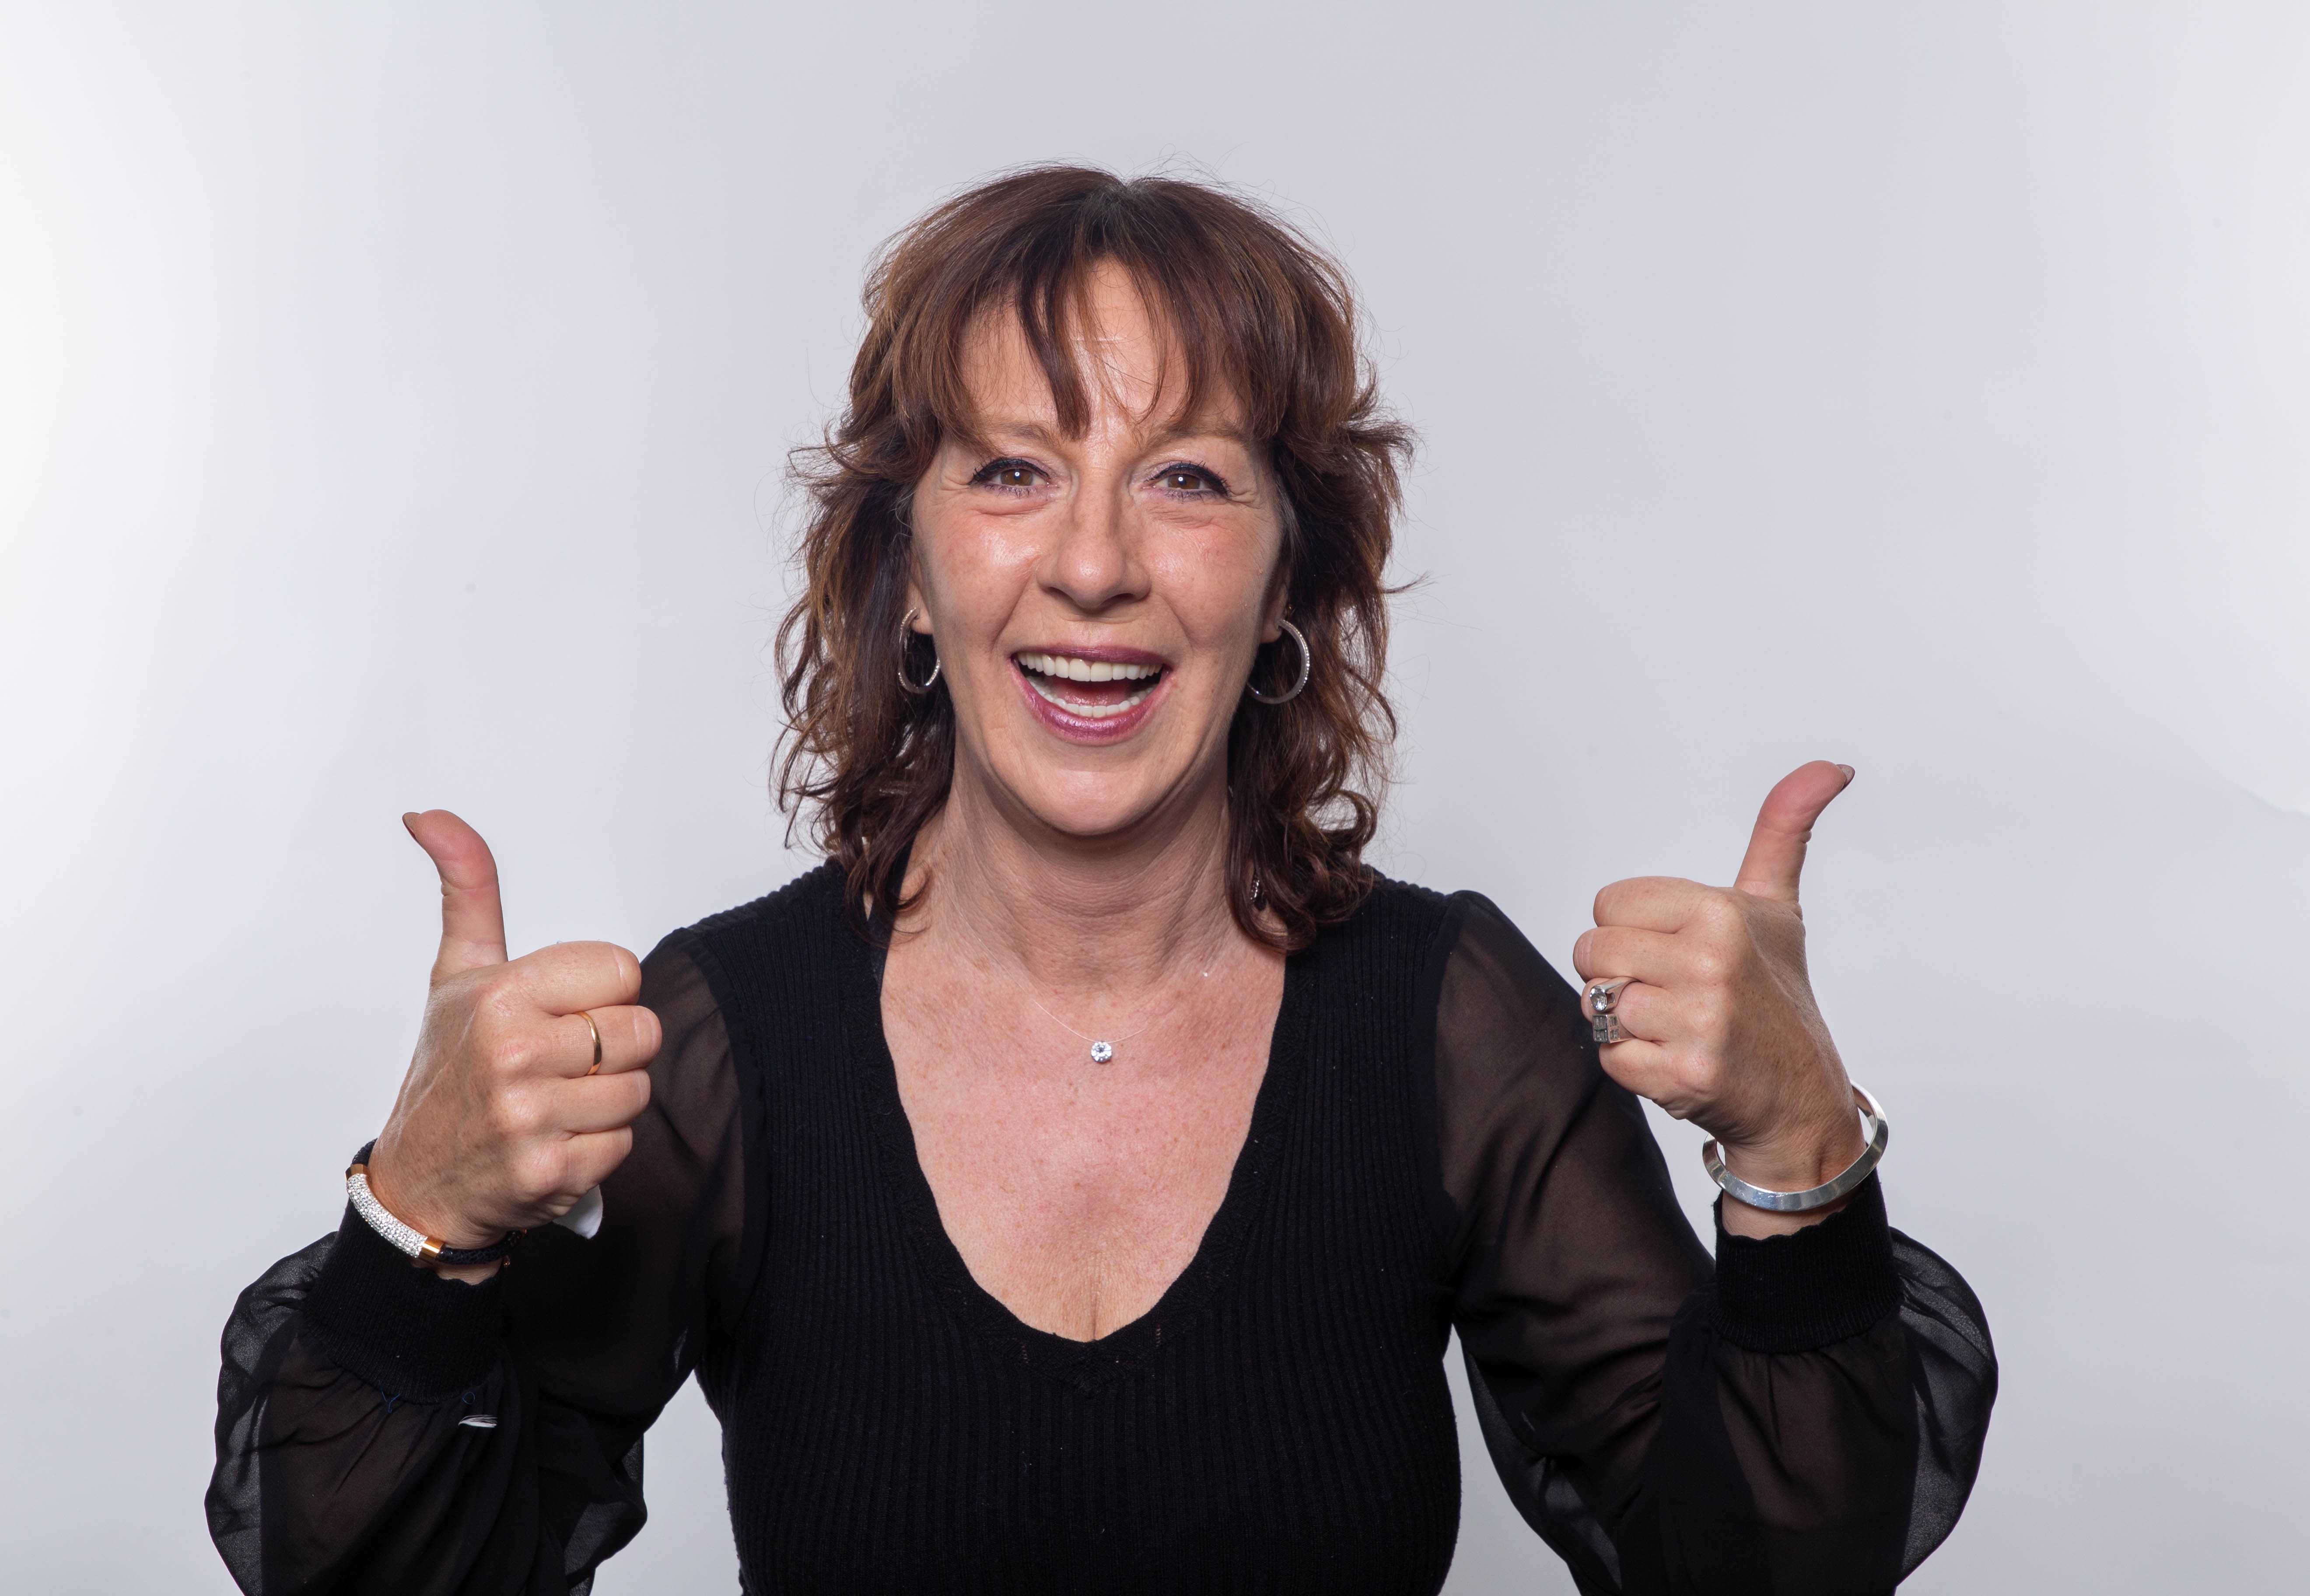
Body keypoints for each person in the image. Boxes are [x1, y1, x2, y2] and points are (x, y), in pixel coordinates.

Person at [208, 166, 1995, 1596]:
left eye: (1188, 481)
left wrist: (1797, 1159)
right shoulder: (725, 1042)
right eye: (1013, 470)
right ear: (908, 576)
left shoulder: (1452, 1027)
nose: (1091, 564)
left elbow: (1754, 1572)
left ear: (1289, 591)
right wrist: (417, 1226)